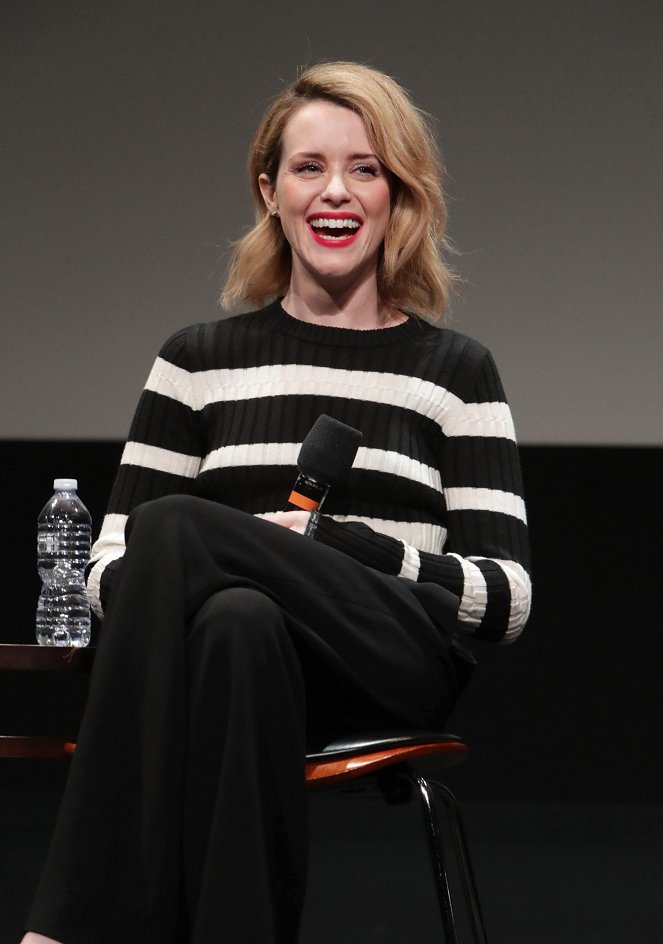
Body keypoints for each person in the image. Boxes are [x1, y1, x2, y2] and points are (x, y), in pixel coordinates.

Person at [22, 61, 531, 944]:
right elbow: (106, 574)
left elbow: (508, 599)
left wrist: (339, 545)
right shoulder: (196, 361)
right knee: (236, 621)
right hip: (236, 682)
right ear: (269, 191)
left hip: (382, 661)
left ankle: (72, 921)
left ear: (398, 195)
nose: (335, 191)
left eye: (365, 168)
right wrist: (248, 558)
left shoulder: (454, 371)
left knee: (176, 527)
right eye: (309, 167)